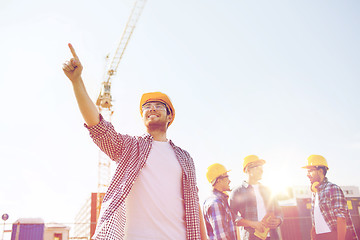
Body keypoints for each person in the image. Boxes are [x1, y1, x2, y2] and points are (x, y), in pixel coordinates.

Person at [62, 43, 207, 240]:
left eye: (158, 105)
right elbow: (98, 127)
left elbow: (193, 201)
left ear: (170, 116)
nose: (152, 109)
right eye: (147, 106)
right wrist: (77, 82)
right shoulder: (130, 147)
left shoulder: (185, 158)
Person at [302, 155, 358, 240]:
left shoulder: (332, 188)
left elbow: (341, 219)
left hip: (334, 236)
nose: (307, 175)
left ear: (320, 171)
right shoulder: (315, 193)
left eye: (310, 171)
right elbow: (316, 222)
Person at [229, 155, 282, 240]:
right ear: (248, 170)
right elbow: (231, 217)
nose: (261, 170)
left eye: (262, 167)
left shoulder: (268, 190)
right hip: (251, 237)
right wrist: (252, 224)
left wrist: (278, 220)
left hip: (273, 236)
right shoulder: (237, 192)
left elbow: (278, 211)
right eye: (257, 167)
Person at [203, 163, 238, 240]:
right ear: (219, 180)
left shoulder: (220, 200)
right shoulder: (215, 203)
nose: (229, 180)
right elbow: (221, 237)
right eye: (227, 176)